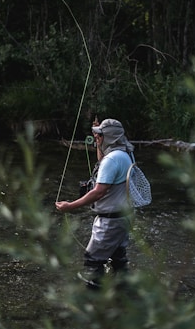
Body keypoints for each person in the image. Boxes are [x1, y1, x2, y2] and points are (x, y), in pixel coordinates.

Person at [55, 118, 135, 288]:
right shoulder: (124, 154)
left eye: (100, 135)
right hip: (123, 218)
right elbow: (102, 161)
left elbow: (99, 192)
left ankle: (95, 304)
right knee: (118, 259)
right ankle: (125, 296)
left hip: (111, 221)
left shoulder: (112, 160)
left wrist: (70, 206)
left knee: (92, 261)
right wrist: (99, 140)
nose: (97, 137)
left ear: (109, 136)